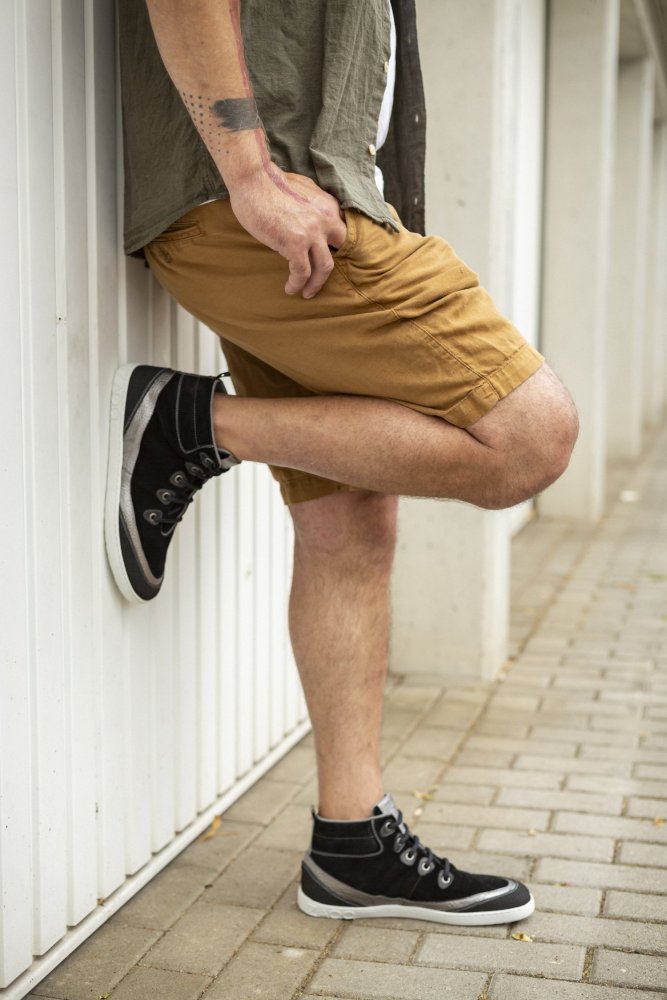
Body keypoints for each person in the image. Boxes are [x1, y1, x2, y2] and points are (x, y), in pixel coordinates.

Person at [109, 0, 578, 926]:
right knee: (530, 434)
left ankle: (350, 846)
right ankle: (198, 424)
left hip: (311, 205)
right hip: (257, 203)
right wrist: (248, 171)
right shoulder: (251, 185)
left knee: (351, 520)